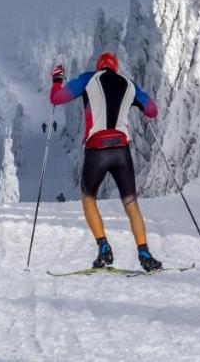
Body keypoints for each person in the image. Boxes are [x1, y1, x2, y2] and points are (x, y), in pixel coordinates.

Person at [49, 52, 162, 271]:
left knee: (89, 199)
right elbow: (152, 110)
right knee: (131, 204)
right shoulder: (129, 85)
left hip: (97, 150)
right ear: (115, 68)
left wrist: (57, 80)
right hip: (121, 151)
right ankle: (144, 253)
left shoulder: (88, 79)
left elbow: (57, 98)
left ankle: (104, 249)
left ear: (99, 66)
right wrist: (137, 104)